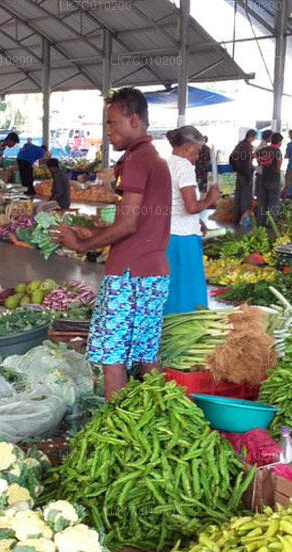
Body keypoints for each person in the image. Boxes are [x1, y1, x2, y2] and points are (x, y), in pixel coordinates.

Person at [52, 87, 170, 400]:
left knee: (112, 355)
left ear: (133, 120)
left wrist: (80, 245)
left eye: (112, 123)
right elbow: (137, 219)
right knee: (147, 355)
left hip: (128, 274)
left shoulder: (135, 159)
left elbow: (128, 224)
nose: (109, 131)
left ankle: (114, 424)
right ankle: (161, 412)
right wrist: (94, 229)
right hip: (154, 272)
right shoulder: (154, 158)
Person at [164, 126, 220, 316]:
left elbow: (173, 202)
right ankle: (189, 322)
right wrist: (210, 199)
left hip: (168, 233)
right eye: (197, 151)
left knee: (172, 285)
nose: (197, 156)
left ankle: (168, 323)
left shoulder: (166, 163)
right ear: (188, 146)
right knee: (189, 286)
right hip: (183, 237)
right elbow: (191, 207)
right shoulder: (184, 167)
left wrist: (198, 221)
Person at [229, 130, 256, 228]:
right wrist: (248, 176)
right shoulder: (247, 146)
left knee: (238, 197)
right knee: (245, 198)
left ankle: (235, 219)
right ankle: (243, 221)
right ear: (253, 137)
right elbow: (246, 164)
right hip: (245, 175)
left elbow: (231, 158)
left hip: (239, 174)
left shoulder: (240, 144)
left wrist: (237, 169)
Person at [255, 132, 284, 224]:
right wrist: (277, 168)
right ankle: (271, 223)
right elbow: (279, 163)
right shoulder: (277, 151)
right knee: (273, 202)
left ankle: (260, 222)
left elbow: (255, 154)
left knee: (262, 201)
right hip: (274, 179)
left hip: (264, 178)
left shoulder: (264, 149)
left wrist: (260, 162)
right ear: (279, 142)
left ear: (271, 140)